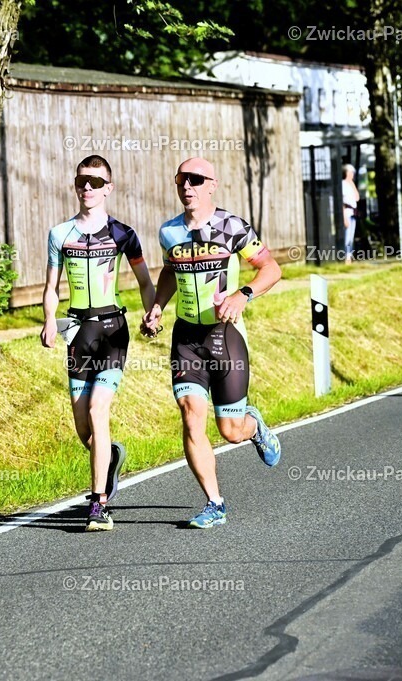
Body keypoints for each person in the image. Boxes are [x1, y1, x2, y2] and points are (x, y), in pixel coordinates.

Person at [142, 157, 282, 529]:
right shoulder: (169, 232)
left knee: (230, 431)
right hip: (187, 337)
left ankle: (253, 426)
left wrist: (243, 295)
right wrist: (157, 305)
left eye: (195, 179)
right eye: (180, 180)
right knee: (190, 414)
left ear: (211, 185)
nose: (187, 186)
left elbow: (272, 268)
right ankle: (214, 503)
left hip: (225, 336)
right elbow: (171, 270)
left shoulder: (231, 226)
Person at [42, 155, 155, 531]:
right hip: (77, 331)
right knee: (83, 429)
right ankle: (111, 456)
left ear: (108, 188)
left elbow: (144, 282)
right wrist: (47, 320)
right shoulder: (60, 234)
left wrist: (152, 312)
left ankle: (98, 505)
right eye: (81, 181)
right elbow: (50, 289)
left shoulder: (123, 233)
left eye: (94, 181)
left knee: (97, 410)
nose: (86, 187)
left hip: (112, 330)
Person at [341, 164, 360, 264]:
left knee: (351, 237)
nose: (352, 174)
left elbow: (357, 197)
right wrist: (344, 217)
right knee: (347, 237)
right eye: (351, 172)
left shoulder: (350, 184)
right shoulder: (343, 184)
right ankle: (346, 257)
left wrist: (352, 183)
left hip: (353, 212)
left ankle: (349, 256)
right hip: (347, 213)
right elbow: (342, 202)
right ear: (347, 173)